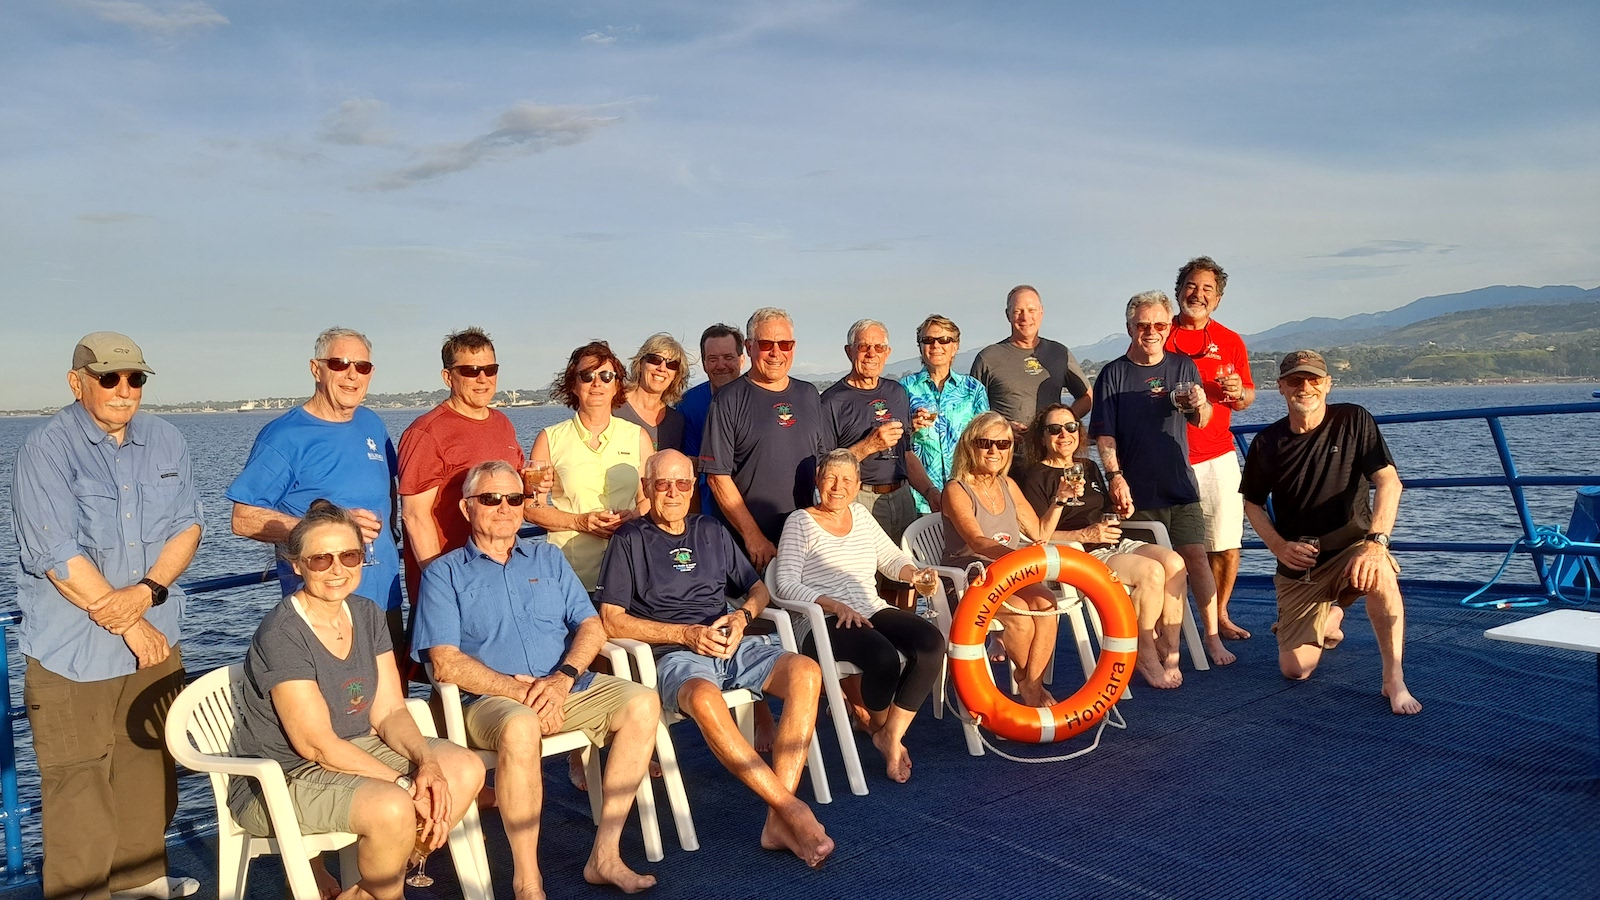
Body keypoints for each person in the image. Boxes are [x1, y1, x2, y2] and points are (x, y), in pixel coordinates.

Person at [11, 332, 203, 900]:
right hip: (73, 652)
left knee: (150, 771)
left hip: (154, 638)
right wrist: (135, 622)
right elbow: (58, 557)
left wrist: (146, 594)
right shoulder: (45, 449)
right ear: (78, 382)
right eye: (109, 379)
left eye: (135, 379)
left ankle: (143, 884)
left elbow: (188, 526)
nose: (124, 390)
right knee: (78, 788)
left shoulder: (168, 440)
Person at [413, 462, 661, 896]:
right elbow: (446, 663)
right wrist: (522, 690)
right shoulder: (444, 573)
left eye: (515, 498)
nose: (505, 507)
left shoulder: (548, 557)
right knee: (521, 725)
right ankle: (528, 880)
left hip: (564, 687)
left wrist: (562, 679)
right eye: (491, 498)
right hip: (489, 701)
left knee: (643, 702)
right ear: (467, 507)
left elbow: (590, 625)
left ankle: (605, 854)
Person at [230, 502, 484, 900]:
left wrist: (428, 763)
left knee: (465, 767)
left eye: (349, 555)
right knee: (394, 806)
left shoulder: (366, 613)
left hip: (352, 749)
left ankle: (368, 892)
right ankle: (386, 891)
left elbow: (388, 711)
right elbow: (316, 744)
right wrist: (405, 782)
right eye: (320, 559)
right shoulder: (282, 632)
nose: (337, 569)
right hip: (282, 775)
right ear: (296, 565)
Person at [597, 450, 834, 869]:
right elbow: (612, 621)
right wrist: (685, 634)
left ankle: (776, 822)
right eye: (663, 484)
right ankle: (790, 808)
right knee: (705, 700)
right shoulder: (629, 539)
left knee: (805, 671)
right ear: (647, 489)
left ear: (693, 488)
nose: (673, 493)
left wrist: (742, 618)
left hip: (731, 640)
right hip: (675, 653)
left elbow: (757, 590)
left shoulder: (710, 530)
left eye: (682, 484)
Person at [1241, 351, 1422, 715]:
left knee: (1381, 574)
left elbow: (1389, 482)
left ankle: (1393, 677)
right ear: (1280, 387)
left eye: (1313, 380)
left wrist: (1375, 544)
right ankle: (1332, 615)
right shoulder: (1266, 443)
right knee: (1296, 670)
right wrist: (1278, 546)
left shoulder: (1353, 419)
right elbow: (1252, 504)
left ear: (1327, 384)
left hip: (1353, 548)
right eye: (1295, 380)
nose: (1304, 387)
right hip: (1301, 563)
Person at [773, 450, 945, 783]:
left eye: (847, 480)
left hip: (869, 606)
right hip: (820, 620)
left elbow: (892, 559)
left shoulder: (861, 516)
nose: (838, 487)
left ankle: (888, 734)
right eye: (830, 478)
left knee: (930, 644)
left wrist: (915, 574)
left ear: (858, 486)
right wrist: (833, 604)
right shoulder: (801, 521)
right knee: (882, 657)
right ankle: (879, 727)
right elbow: (786, 584)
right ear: (818, 480)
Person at [228, 327, 404, 650]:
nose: (352, 375)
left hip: (384, 603)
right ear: (316, 369)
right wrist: (331, 530)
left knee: (393, 699)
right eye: (339, 364)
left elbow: (389, 489)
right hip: (323, 611)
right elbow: (242, 518)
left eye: (361, 367)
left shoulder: (372, 425)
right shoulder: (284, 436)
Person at [1090, 291, 1235, 667]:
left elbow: (1200, 422)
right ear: (1129, 328)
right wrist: (1115, 476)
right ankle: (1152, 644)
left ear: (1168, 327)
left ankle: (1211, 637)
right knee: (1154, 570)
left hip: (1179, 484)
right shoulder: (1113, 374)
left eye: (1158, 325)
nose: (1150, 332)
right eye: (1142, 325)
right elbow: (1104, 436)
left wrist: (1202, 404)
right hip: (1136, 493)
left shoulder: (1183, 366)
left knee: (1196, 561)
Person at [1016, 404, 1187, 689]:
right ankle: (1143, 651)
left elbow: (1105, 513)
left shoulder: (1089, 467)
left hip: (1111, 544)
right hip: (1078, 554)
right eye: (1054, 429)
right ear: (1042, 437)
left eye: (1071, 427)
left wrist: (1120, 509)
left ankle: (1169, 649)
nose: (1064, 434)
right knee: (1151, 573)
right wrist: (1085, 533)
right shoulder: (1034, 477)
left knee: (1174, 564)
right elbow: (1037, 535)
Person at [397, 327, 524, 617]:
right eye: (470, 370)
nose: (482, 379)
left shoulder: (502, 423)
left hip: (500, 578)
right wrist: (441, 582)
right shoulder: (426, 432)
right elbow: (415, 516)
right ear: (448, 377)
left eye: (490, 369)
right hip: (452, 583)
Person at [940, 413, 1059, 707]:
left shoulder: (1007, 485)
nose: (995, 451)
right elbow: (977, 541)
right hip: (972, 577)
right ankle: (1030, 689)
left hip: (1011, 573)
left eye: (1003, 444)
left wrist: (1060, 500)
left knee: (1047, 604)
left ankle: (1030, 684)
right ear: (971, 446)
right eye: (986, 443)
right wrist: (1018, 557)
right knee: (1019, 613)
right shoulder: (956, 489)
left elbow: (1039, 531)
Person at [1165, 257, 1256, 641]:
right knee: (1171, 545)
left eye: (1207, 289)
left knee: (1225, 541)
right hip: (1170, 456)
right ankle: (1173, 618)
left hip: (1217, 454)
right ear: (1178, 290)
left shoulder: (1231, 341)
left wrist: (1239, 393)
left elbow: (1247, 396)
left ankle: (1218, 616)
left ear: (1217, 300)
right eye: (1191, 285)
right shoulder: (1158, 334)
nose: (1197, 294)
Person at [700, 308, 827, 572]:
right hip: (750, 546)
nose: (776, 353)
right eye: (767, 344)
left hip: (804, 540)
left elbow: (821, 465)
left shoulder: (809, 394)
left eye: (785, 344)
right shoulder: (727, 400)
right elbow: (717, 477)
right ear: (749, 347)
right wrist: (753, 536)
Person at [524, 341, 652, 596]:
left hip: (629, 572)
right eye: (587, 376)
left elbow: (650, 500)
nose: (597, 383)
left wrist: (633, 517)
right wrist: (581, 522)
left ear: (616, 384)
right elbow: (531, 507)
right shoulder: (549, 439)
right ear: (573, 385)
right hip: (570, 577)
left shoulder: (638, 437)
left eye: (606, 376)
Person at [821, 319, 940, 549]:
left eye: (879, 347)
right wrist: (869, 445)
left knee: (905, 575)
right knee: (866, 577)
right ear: (849, 351)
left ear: (888, 353)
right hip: (860, 499)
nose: (871, 354)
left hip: (903, 497)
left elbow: (906, 454)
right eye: (864, 347)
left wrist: (930, 491)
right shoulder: (832, 401)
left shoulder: (896, 392)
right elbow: (825, 467)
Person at [969, 285, 1091, 440]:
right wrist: (1000, 428)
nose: (1025, 317)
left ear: (1041, 312)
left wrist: (1063, 424)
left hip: (1049, 454)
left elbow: (1086, 397)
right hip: (1003, 455)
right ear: (1008, 315)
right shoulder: (988, 358)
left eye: (1031, 310)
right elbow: (970, 411)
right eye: (1017, 311)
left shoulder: (1059, 353)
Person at [902, 314, 988, 515]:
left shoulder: (973, 389)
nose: (935, 345)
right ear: (920, 347)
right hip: (918, 497)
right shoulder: (904, 388)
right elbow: (893, 440)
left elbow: (984, 440)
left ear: (955, 346)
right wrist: (910, 426)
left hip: (965, 491)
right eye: (928, 340)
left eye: (944, 340)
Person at [679, 323, 746, 517]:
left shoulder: (760, 398)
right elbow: (690, 465)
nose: (721, 365)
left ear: (741, 360)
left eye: (728, 357)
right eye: (713, 359)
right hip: (710, 510)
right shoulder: (689, 403)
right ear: (704, 363)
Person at [616, 333, 691, 452]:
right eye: (655, 360)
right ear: (641, 364)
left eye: (671, 364)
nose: (662, 368)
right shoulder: (613, 406)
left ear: (676, 375)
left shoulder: (676, 422)